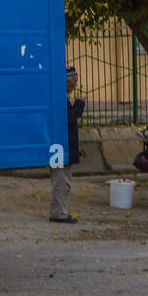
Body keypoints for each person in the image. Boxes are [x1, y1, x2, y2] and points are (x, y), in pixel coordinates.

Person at [51, 65, 85, 223]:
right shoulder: (59, 98)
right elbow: (68, 118)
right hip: (61, 147)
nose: (76, 85)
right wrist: (79, 105)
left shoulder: (61, 96)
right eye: (74, 81)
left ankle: (61, 211)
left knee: (64, 181)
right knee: (61, 181)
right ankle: (59, 214)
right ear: (67, 80)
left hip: (63, 147)